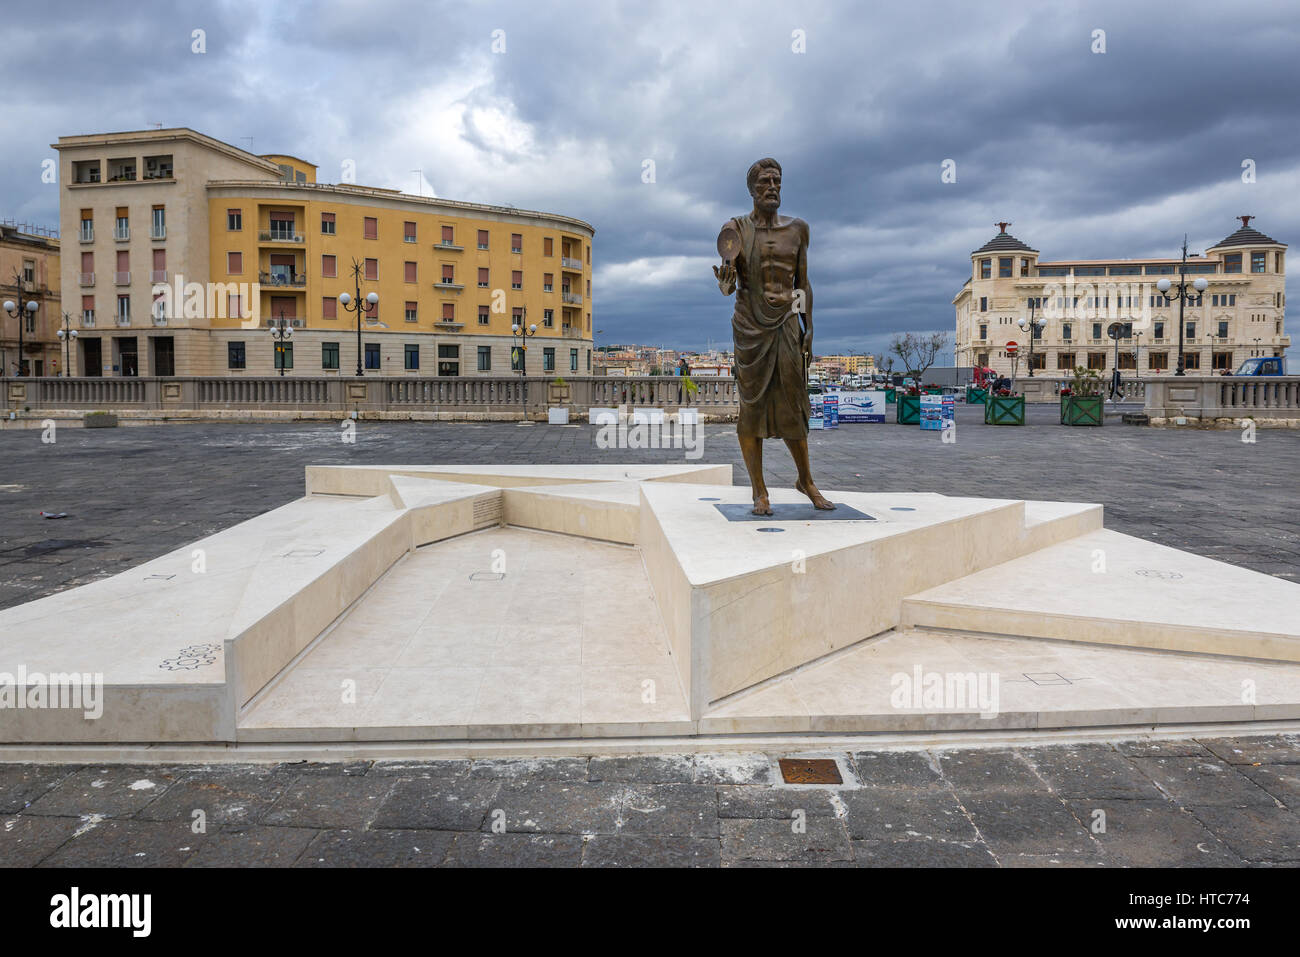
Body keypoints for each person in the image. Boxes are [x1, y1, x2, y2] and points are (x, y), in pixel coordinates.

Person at [714, 158, 833, 516]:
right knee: (751, 409)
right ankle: (759, 490)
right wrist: (725, 283)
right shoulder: (735, 229)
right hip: (750, 327)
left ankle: (805, 480)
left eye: (777, 181)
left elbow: (802, 283)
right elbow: (729, 279)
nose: (772, 187)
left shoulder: (798, 229)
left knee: (794, 405)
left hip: (787, 323)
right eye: (765, 181)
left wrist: (807, 326)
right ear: (752, 189)